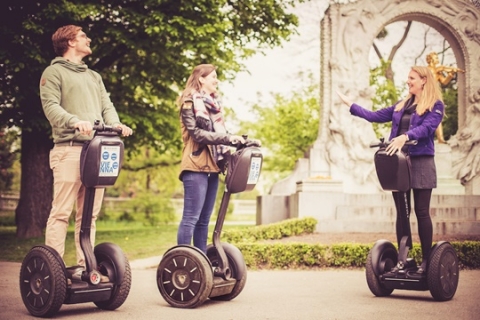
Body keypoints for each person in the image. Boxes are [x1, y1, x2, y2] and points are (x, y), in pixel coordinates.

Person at [39, 25, 133, 274]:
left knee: (89, 215)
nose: (88, 39)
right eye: (83, 36)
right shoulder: (53, 72)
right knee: (61, 213)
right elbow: (50, 107)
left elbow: (107, 106)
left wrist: (116, 124)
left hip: (96, 149)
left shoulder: (94, 76)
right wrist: (74, 121)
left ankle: (86, 267)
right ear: (70, 42)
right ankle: (54, 270)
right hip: (69, 149)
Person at [337, 66, 444, 274]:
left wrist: (406, 136)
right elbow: (374, 116)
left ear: (423, 80)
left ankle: (426, 261)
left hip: (421, 162)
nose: (408, 81)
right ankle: (405, 259)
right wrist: (351, 104)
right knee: (402, 213)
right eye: (408, 78)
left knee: (421, 212)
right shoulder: (401, 106)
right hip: (400, 162)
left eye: (411, 78)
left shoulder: (435, 105)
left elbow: (427, 128)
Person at [177, 64, 251, 253]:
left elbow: (220, 134)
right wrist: (228, 138)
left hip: (212, 166)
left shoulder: (212, 105)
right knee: (191, 218)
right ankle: (183, 260)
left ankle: (202, 264)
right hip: (195, 164)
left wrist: (238, 141)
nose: (216, 80)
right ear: (201, 78)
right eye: (213, 76)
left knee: (204, 221)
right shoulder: (189, 101)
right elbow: (197, 134)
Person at [426, 52, 464, 143]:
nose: (438, 60)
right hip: (426, 94)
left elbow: (444, 82)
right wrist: (443, 68)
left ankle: (440, 138)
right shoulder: (426, 70)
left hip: (435, 94)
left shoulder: (438, 71)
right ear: (430, 59)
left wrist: (451, 74)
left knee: (438, 115)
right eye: (436, 58)